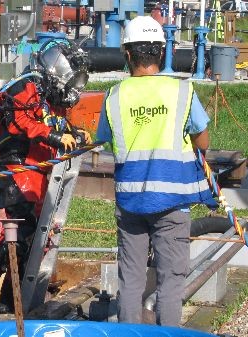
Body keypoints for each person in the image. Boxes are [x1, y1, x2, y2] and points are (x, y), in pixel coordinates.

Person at [96, 16, 216, 326]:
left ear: (127, 54)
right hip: (172, 200)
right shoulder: (182, 92)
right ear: (162, 54)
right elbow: (202, 139)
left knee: (131, 280)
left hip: (130, 202)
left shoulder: (114, 97)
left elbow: (103, 138)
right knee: (171, 282)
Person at [0, 39, 91, 313]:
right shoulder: (25, 87)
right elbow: (20, 122)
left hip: (35, 168)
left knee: (27, 238)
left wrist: (74, 134)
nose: (74, 89)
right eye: (72, 80)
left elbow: (54, 124)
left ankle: (10, 298)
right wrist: (54, 136)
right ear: (57, 73)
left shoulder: (53, 100)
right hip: (14, 164)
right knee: (21, 228)